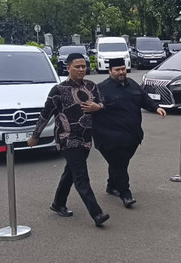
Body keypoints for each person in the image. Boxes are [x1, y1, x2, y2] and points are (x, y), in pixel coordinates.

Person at [28, 53, 109, 227]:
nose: (81, 69)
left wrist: (98, 107)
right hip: (67, 138)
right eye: (77, 66)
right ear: (68, 68)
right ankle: (97, 214)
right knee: (81, 177)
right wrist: (36, 135)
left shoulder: (91, 86)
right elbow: (46, 114)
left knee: (70, 172)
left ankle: (58, 203)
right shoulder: (59, 90)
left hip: (86, 138)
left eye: (83, 66)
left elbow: (104, 105)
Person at [92, 58, 167, 208]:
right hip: (109, 137)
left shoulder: (131, 84)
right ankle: (125, 194)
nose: (121, 72)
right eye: (117, 70)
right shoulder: (100, 89)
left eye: (123, 69)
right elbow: (90, 108)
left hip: (132, 136)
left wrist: (156, 107)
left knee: (121, 163)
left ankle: (111, 185)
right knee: (119, 164)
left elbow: (144, 98)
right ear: (110, 71)